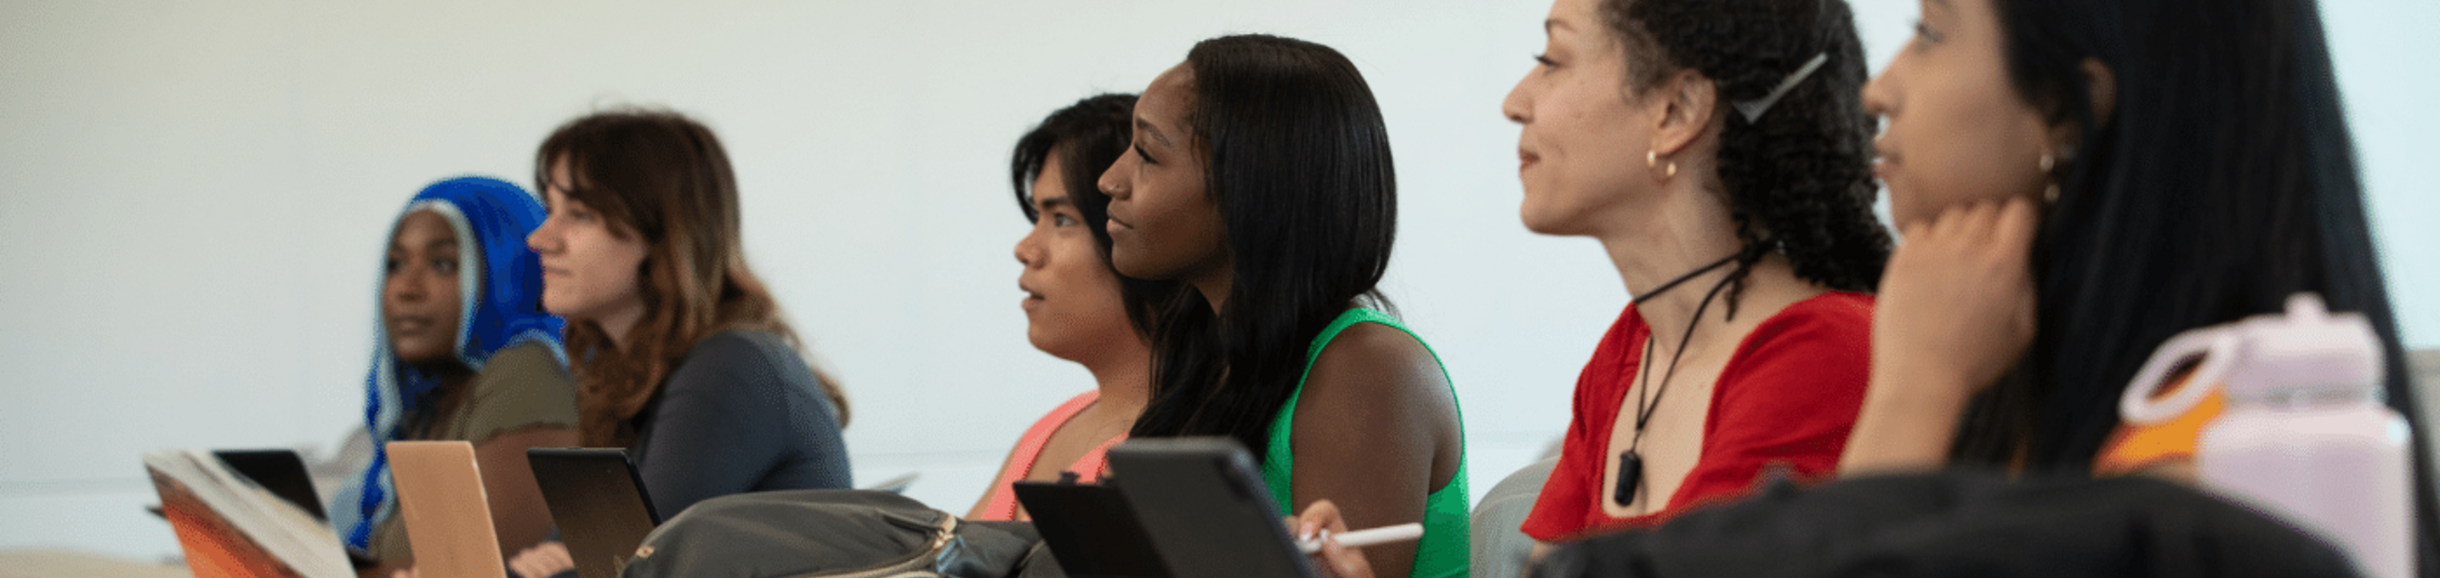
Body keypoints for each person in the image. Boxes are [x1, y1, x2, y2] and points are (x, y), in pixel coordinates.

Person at [1842, 0, 2437, 570]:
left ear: (2066, 113)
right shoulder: (2020, 377)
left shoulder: (2208, 484)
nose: (1877, 91)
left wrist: (1912, 395)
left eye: (1930, 35)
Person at [1494, 0, 1892, 549]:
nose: (1513, 103)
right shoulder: (1632, 349)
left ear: (1677, 110)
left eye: (1552, 59)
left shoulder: (1826, 355)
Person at [1100, 34, 1469, 578]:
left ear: (1251, 189)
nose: (1110, 179)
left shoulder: (1371, 369)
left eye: (1148, 155)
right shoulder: (1205, 343)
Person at [505, 109, 853, 578]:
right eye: (550, 211)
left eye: (579, 215)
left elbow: (624, 567)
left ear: (662, 232)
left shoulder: (733, 367)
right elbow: (572, 556)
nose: (540, 238)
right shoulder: (631, 373)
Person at [329, 176, 577, 578]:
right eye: (396, 264)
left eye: (442, 264)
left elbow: (473, 571)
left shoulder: (528, 371)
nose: (407, 289)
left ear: (507, 271)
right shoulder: (432, 404)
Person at [967, 93, 1184, 521]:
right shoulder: (1055, 426)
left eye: (1062, 218)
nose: (1026, 248)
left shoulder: (1185, 450)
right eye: (1036, 217)